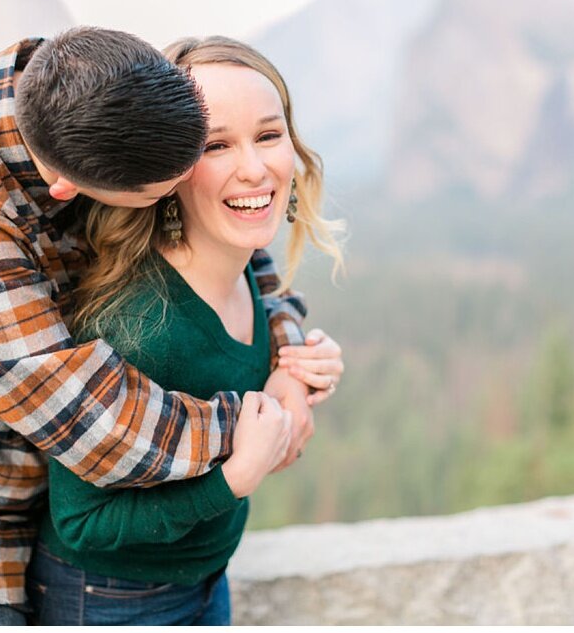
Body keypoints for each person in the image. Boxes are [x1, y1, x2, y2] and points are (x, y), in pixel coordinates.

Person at [0, 26, 346, 625]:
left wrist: (287, 346)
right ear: (72, 189)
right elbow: (90, 420)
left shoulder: (100, 85)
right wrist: (260, 422)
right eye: (166, 192)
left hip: (16, 499)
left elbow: (228, 234)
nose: (239, 174)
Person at [28, 36, 346, 625]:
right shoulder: (139, 324)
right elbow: (81, 521)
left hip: (204, 579)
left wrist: (294, 366)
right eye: (216, 145)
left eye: (269, 135)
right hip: (107, 600)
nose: (254, 168)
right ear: (167, 166)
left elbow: (276, 318)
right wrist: (229, 482)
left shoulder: (247, 265)